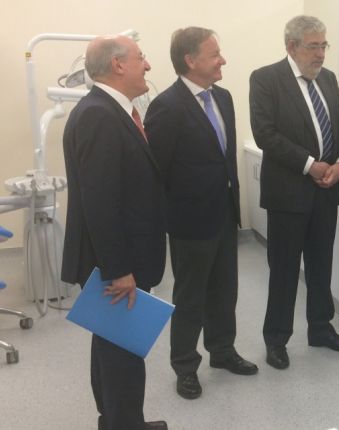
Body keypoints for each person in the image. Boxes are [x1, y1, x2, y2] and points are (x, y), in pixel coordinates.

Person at [145, 27, 257, 401]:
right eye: (215, 54)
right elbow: (155, 172)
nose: (222, 59)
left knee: (226, 291)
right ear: (190, 61)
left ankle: (223, 352)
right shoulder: (166, 107)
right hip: (190, 221)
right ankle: (185, 366)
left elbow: (223, 159)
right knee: (191, 297)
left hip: (224, 214)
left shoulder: (223, 98)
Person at [61, 35, 167, 430]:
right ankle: (125, 424)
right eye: (142, 57)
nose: (148, 66)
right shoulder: (99, 115)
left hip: (121, 259)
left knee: (112, 345)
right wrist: (118, 270)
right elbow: (101, 201)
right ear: (119, 65)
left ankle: (119, 421)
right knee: (122, 351)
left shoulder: (110, 111)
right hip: (118, 264)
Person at [249, 15, 339, 370]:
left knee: (320, 265)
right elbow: (266, 133)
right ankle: (277, 339)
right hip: (289, 193)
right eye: (313, 46)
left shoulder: (327, 79)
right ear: (292, 46)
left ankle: (321, 329)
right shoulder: (266, 79)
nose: (321, 54)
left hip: (327, 190)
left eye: (323, 45)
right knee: (283, 270)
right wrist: (310, 164)